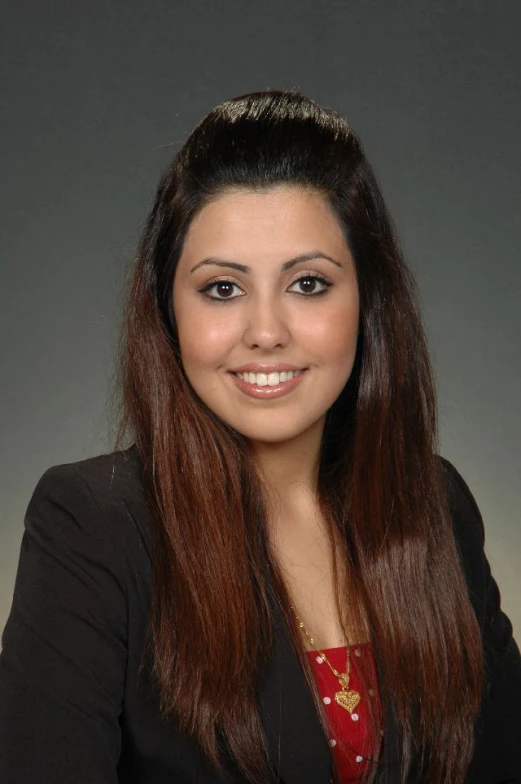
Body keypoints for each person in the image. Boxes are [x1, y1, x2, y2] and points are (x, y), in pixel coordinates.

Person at [0, 89, 520, 784]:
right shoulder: (94, 525)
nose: (266, 330)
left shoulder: (434, 502)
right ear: (168, 308)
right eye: (222, 289)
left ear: (368, 301)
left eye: (308, 284)